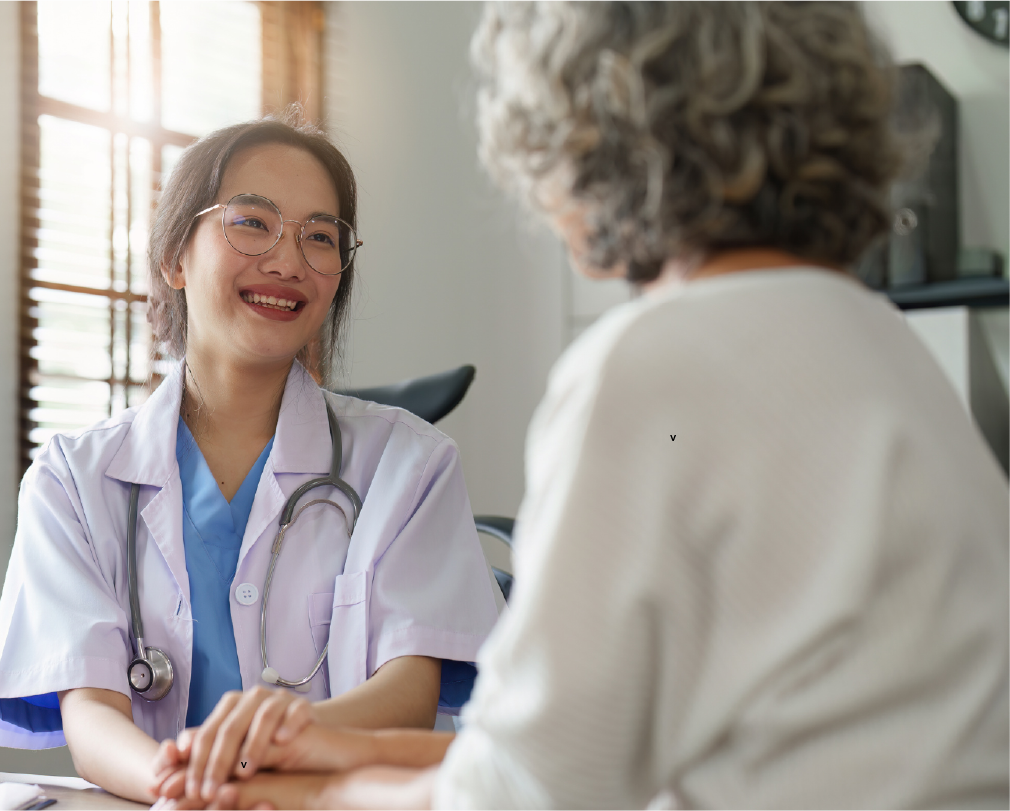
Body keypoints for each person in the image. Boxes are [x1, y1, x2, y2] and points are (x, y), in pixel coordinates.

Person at [150, 2, 1010, 808]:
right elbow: (588, 748)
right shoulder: (880, 344)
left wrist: (305, 793)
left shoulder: (655, 365)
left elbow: (533, 790)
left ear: (594, 138)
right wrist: (336, 748)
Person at [0, 113, 502, 804]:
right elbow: (92, 711)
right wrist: (185, 788)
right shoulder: (71, 479)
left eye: (319, 236)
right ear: (173, 256)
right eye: (251, 223)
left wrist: (261, 753)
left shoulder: (410, 464)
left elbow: (406, 690)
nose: (287, 261)